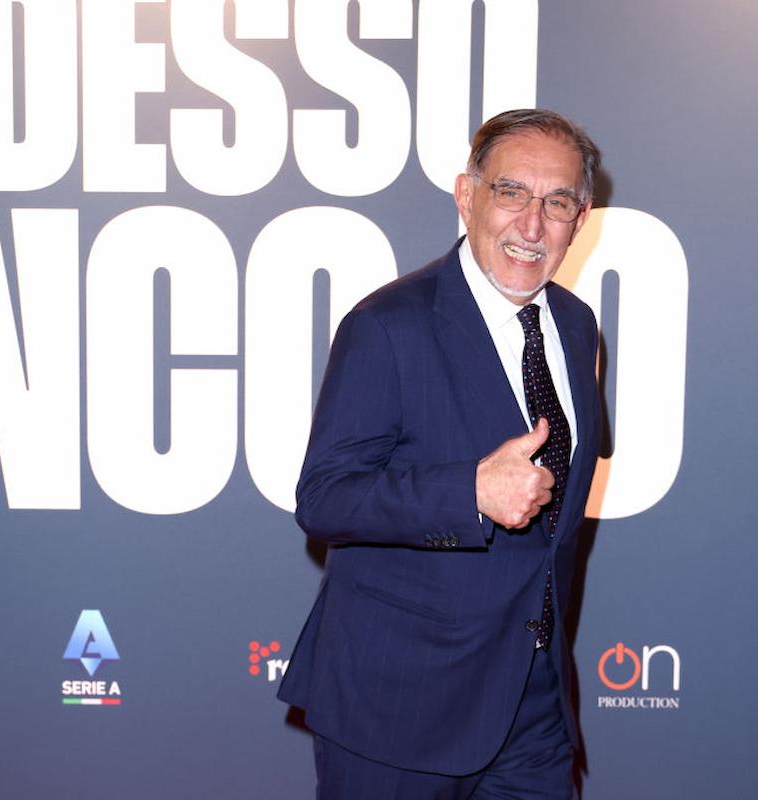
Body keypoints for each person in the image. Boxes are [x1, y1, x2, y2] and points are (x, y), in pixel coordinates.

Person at [278, 108, 603, 799]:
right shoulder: (387, 325)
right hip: (399, 708)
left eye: (557, 202)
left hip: (534, 705)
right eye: (511, 192)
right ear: (466, 195)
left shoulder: (577, 328)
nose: (532, 224)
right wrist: (469, 493)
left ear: (580, 218)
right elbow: (325, 497)